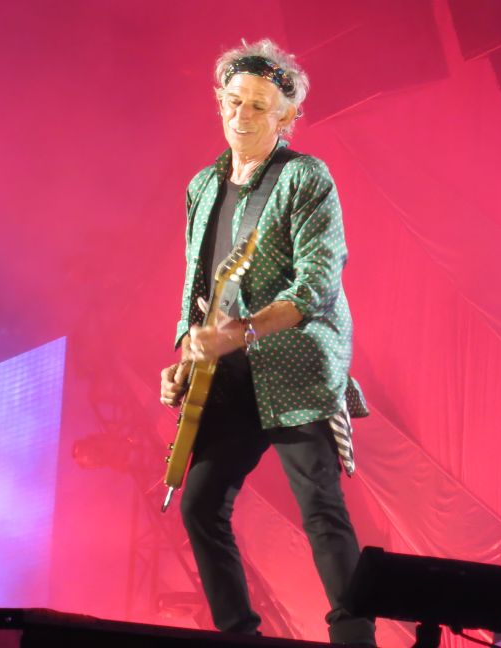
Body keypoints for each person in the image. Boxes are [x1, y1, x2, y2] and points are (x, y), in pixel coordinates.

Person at [159, 39, 375, 646]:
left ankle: (355, 641)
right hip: (229, 373)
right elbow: (197, 285)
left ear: (286, 117)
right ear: (218, 101)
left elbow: (317, 282)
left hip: (296, 367)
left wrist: (243, 330)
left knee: (321, 511)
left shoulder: (306, 177)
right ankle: (239, 635)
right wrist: (186, 351)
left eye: (259, 106)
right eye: (234, 101)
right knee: (200, 506)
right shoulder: (203, 185)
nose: (242, 115)